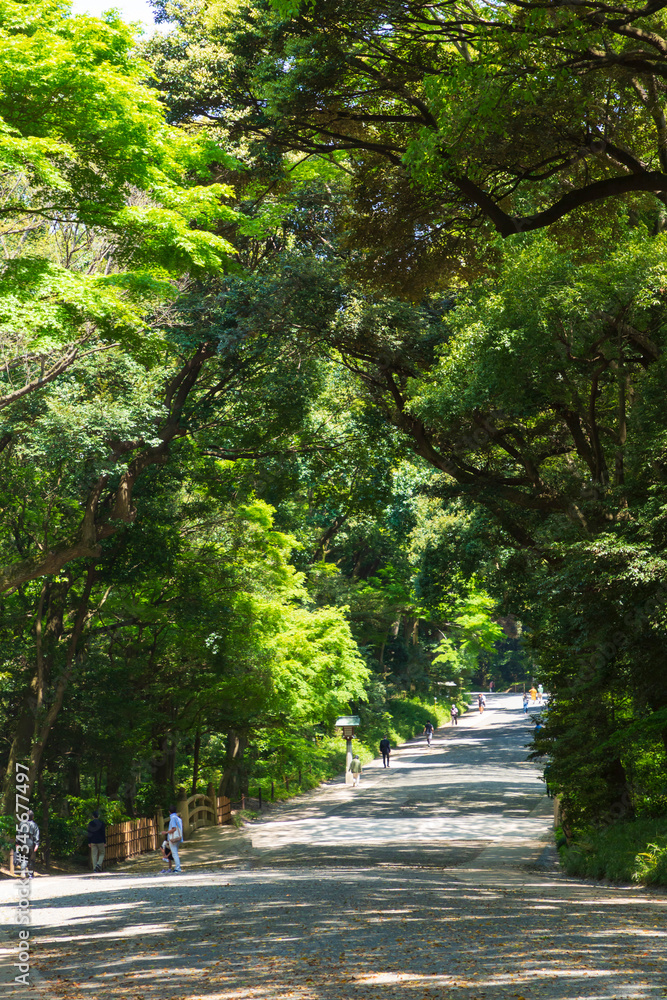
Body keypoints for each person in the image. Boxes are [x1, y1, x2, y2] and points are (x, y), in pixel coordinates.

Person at [87, 809, 106, 873]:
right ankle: (99, 864)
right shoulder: (101, 823)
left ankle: (94, 868)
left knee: (94, 855)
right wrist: (104, 841)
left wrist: (89, 842)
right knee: (102, 853)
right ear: (98, 816)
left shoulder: (90, 823)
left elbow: (89, 833)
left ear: (93, 816)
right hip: (100, 840)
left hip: (93, 841)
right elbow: (103, 833)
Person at [167, 805, 183, 873]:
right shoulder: (178, 818)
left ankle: (178, 867)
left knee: (174, 853)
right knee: (175, 852)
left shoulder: (173, 818)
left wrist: (166, 832)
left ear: (169, 812)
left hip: (174, 838)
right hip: (178, 837)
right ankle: (177, 866)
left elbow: (174, 829)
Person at [26, 811, 39, 876]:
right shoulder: (34, 825)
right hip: (31, 843)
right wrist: (37, 843)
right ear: (33, 817)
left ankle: (24, 872)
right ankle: (30, 873)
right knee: (31, 859)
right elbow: (36, 835)